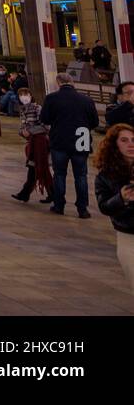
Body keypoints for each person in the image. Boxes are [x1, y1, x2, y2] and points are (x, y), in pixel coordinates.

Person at [40, 73, 99, 218]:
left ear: (58, 83)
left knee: (59, 174)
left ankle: (59, 205)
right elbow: (95, 122)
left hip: (60, 140)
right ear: (72, 83)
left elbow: (44, 119)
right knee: (81, 175)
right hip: (81, 139)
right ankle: (82, 209)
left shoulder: (51, 98)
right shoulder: (86, 100)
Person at [95, 123, 134, 294]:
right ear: (114, 145)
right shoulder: (106, 176)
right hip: (128, 238)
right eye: (124, 140)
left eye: (133, 140)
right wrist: (122, 198)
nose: (130, 144)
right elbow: (104, 207)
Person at [11, 85, 54, 205]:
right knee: (35, 168)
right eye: (21, 95)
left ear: (31, 96)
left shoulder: (37, 108)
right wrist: (23, 133)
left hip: (41, 143)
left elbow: (45, 126)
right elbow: (22, 128)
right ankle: (48, 194)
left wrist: (29, 131)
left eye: (26, 94)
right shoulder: (22, 110)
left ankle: (26, 194)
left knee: (38, 168)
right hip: (32, 143)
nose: (24, 97)